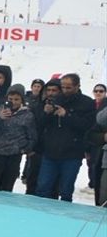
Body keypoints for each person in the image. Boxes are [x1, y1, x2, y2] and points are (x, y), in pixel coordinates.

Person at [36, 73, 94, 202]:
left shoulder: (87, 103)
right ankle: (38, 214)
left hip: (72, 153)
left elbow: (87, 125)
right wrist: (46, 113)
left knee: (66, 190)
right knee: (43, 187)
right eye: (63, 87)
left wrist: (66, 115)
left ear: (77, 86)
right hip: (50, 151)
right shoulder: (55, 99)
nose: (65, 90)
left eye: (69, 87)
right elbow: (40, 124)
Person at [0, 85, 37, 191]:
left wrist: (26, 148)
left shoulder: (27, 115)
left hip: (14, 155)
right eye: (10, 99)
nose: (13, 102)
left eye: (17, 99)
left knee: (7, 186)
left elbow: (32, 135)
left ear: (22, 99)